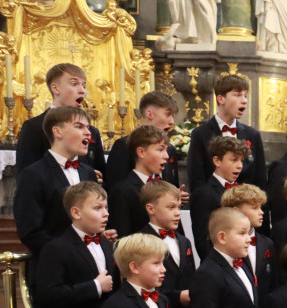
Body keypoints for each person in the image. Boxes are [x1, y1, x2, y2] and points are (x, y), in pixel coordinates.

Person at [36, 182, 113, 308]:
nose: (105, 214)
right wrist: (95, 286)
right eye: (97, 208)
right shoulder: (56, 248)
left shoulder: (105, 244)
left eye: (105, 207)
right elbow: (48, 294)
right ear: (76, 212)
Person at [14, 106, 99, 273]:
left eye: (88, 127)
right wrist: (69, 253)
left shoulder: (88, 172)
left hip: (91, 266)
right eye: (79, 126)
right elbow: (31, 231)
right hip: (55, 269)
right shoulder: (33, 175)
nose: (88, 133)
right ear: (57, 132)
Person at [16, 63, 106, 173]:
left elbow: (102, 173)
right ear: (55, 88)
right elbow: (26, 174)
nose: (82, 90)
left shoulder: (92, 131)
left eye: (83, 85)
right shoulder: (34, 127)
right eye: (74, 84)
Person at [187, 74, 266, 190]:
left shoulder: (252, 135)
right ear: (221, 99)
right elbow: (197, 180)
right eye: (237, 95)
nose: (244, 101)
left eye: (245, 95)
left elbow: (260, 179)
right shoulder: (200, 134)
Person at [104, 91, 182, 193]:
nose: (172, 121)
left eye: (173, 116)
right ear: (149, 114)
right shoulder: (124, 145)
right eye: (168, 114)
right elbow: (116, 188)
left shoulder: (170, 149)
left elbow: (172, 184)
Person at [190, 136, 249, 257]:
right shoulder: (204, 194)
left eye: (241, 160)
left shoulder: (242, 191)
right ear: (217, 161)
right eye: (234, 160)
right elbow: (202, 240)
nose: (240, 166)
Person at [107, 125, 171, 237]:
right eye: (160, 149)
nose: (166, 156)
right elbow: (122, 237)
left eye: (166, 150)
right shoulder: (123, 191)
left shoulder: (167, 188)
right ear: (141, 152)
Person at [222, 184, 277, 296]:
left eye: (261, 207)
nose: (262, 212)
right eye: (254, 207)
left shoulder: (267, 243)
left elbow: (273, 279)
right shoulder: (224, 243)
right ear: (236, 211)